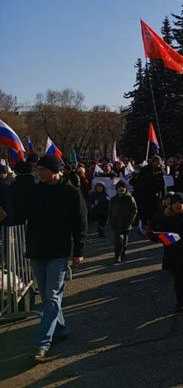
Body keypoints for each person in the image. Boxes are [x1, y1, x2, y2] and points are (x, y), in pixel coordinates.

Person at [0, 156, 87, 363]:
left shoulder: (71, 193)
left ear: (54, 170)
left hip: (58, 252)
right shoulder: (36, 191)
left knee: (51, 297)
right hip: (36, 251)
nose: (38, 173)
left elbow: (80, 224)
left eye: (42, 170)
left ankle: (42, 344)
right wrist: (6, 218)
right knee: (50, 298)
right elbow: (22, 216)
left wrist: (78, 252)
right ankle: (62, 329)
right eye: (37, 170)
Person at [132, 155, 166, 232]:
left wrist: (162, 193)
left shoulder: (159, 170)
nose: (158, 164)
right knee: (144, 210)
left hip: (155, 194)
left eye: (159, 163)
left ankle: (153, 226)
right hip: (145, 194)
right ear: (153, 162)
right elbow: (139, 182)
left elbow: (161, 183)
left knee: (154, 210)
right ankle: (143, 226)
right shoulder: (145, 170)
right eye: (157, 163)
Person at [107, 180, 137, 263]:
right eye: (119, 188)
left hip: (126, 224)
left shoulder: (129, 198)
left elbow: (134, 211)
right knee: (119, 240)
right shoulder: (113, 199)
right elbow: (109, 211)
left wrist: (130, 221)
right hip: (116, 223)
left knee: (125, 241)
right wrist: (110, 220)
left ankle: (123, 252)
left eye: (123, 188)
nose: (121, 190)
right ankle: (117, 255)